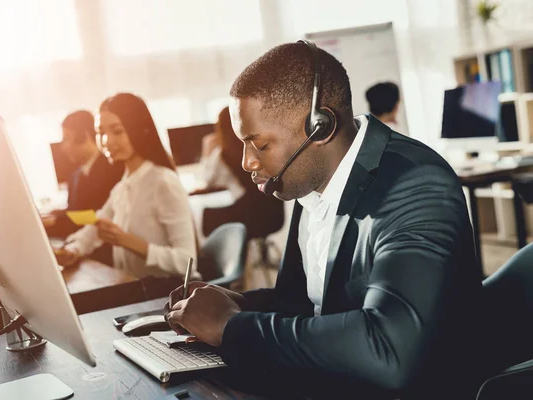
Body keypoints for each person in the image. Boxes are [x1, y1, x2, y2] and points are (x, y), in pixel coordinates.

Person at [165, 42, 482, 399]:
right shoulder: (310, 180)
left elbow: (390, 350)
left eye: (260, 145)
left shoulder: (414, 183)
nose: (246, 162)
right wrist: (235, 304)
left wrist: (230, 326)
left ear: (320, 127)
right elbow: (305, 304)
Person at [56, 93, 199, 296]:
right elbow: (96, 227)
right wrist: (73, 250)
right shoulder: (123, 185)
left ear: (140, 130)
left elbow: (187, 263)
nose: (106, 141)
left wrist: (127, 241)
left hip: (169, 296)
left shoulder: (162, 181)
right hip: (137, 290)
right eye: (100, 132)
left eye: (117, 131)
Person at [199, 107, 284, 241]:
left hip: (249, 213)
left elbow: (208, 180)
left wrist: (206, 151)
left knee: (202, 217)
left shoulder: (222, 153)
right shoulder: (258, 147)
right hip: (274, 213)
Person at [44, 110, 123, 240]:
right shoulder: (75, 176)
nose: (63, 147)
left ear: (84, 137)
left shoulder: (112, 169)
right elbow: (75, 213)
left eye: (67, 138)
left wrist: (56, 221)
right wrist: (54, 216)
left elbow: (94, 215)